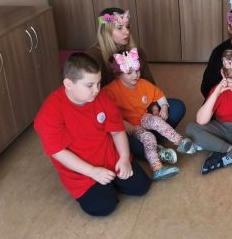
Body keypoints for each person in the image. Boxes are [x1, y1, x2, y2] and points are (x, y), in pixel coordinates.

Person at [34, 53, 151, 217]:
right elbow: (58, 152)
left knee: (141, 187)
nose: (96, 90)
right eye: (89, 85)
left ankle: (117, 174)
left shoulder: (102, 97)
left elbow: (117, 131)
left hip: (110, 158)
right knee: (104, 206)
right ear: (68, 84)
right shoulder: (49, 113)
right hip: (82, 173)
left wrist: (124, 158)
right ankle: (108, 185)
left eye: (98, 83)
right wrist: (93, 172)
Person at [86, 8, 187, 157]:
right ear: (106, 32)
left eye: (127, 27)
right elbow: (91, 102)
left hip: (141, 113)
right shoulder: (93, 57)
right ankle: (150, 144)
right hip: (117, 121)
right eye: (119, 28)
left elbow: (149, 85)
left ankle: (150, 143)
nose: (126, 32)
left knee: (177, 107)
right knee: (126, 142)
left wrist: (155, 108)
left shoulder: (137, 52)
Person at [102, 49, 195, 181]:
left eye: (137, 71)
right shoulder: (110, 91)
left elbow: (159, 95)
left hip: (143, 117)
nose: (135, 75)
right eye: (129, 72)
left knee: (156, 120)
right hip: (130, 127)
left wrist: (164, 107)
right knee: (148, 137)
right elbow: (106, 112)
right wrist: (125, 125)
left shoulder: (143, 84)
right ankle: (157, 168)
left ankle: (180, 141)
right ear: (118, 74)